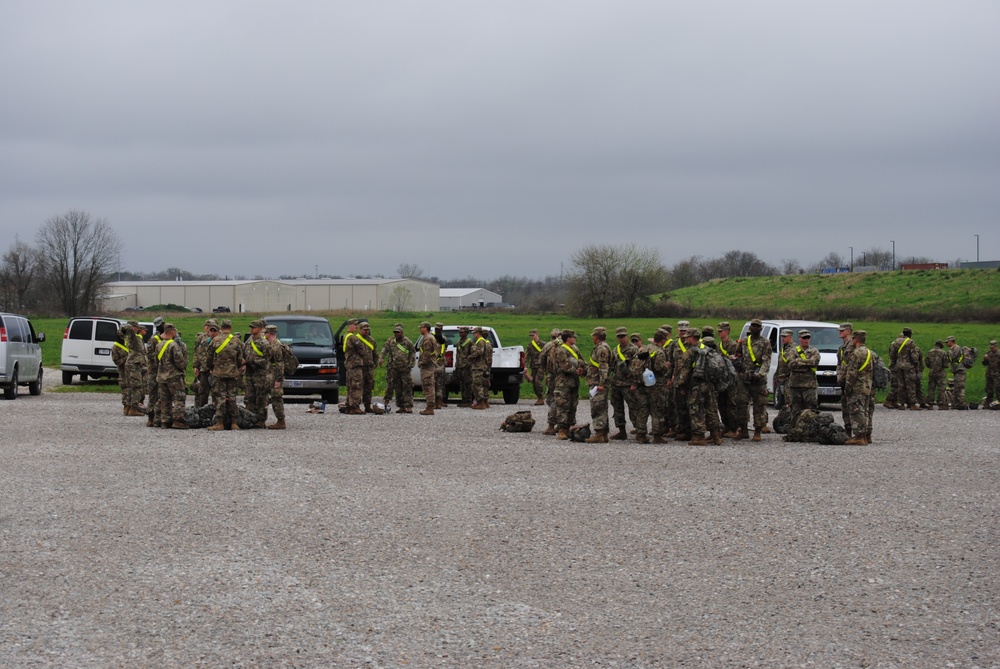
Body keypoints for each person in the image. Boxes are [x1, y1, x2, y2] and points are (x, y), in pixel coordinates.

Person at [676, 329, 722, 446]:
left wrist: (679, 384)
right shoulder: (707, 349)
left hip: (696, 386)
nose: (685, 339)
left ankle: (699, 437)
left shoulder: (691, 352)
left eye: (687, 337)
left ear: (692, 338)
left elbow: (685, 372)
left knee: (696, 410)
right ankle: (716, 436)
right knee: (711, 409)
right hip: (709, 384)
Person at [206, 319, 246, 430]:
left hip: (219, 373)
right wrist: (236, 367)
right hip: (233, 373)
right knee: (232, 397)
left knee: (220, 397)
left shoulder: (215, 340)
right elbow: (240, 359)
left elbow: (209, 357)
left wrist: (211, 367)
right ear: (230, 327)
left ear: (220, 327)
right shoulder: (236, 341)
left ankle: (220, 423)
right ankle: (234, 423)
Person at [738, 318, 772, 442]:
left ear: (760, 329)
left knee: (759, 406)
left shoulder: (765, 342)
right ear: (750, 328)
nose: (755, 328)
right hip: (744, 379)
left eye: (757, 326)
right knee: (741, 404)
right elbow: (739, 356)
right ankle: (743, 429)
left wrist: (760, 374)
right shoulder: (744, 342)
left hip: (758, 380)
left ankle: (758, 431)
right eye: (753, 326)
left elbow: (766, 361)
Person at [551, 329, 584, 440]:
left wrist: (583, 370)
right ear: (568, 338)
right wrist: (576, 371)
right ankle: (561, 429)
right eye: (573, 337)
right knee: (562, 406)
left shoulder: (575, 349)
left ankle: (570, 427)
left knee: (573, 406)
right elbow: (564, 365)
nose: (575, 339)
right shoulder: (561, 350)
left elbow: (582, 361)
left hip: (574, 382)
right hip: (563, 383)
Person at [155, 323, 189, 429]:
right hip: (173, 377)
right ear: (173, 332)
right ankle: (178, 420)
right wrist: (183, 367)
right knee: (179, 398)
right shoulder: (174, 345)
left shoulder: (158, 345)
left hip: (161, 376)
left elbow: (156, 361)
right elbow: (180, 362)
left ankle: (165, 421)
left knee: (165, 399)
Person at [843, 330, 874, 445]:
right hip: (867, 386)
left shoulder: (856, 354)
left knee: (856, 411)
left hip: (857, 387)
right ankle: (866, 436)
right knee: (864, 411)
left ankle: (859, 436)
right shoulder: (869, 352)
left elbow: (852, 373)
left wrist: (847, 388)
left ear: (855, 339)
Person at [716, 322, 747, 440]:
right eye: (718, 331)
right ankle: (727, 426)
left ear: (727, 332)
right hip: (722, 379)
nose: (719, 333)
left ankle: (734, 428)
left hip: (733, 378)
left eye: (721, 331)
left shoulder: (734, 346)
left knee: (732, 404)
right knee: (722, 403)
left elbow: (739, 361)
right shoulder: (719, 346)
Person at [609, 327, 639, 441]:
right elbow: (612, 365)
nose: (622, 339)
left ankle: (639, 430)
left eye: (623, 336)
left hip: (628, 383)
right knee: (617, 408)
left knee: (634, 407)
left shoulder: (634, 349)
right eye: (619, 337)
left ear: (627, 336)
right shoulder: (615, 350)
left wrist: (634, 382)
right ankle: (621, 431)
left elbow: (637, 367)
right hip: (616, 383)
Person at [643, 328, 672, 444]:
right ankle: (657, 435)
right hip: (657, 384)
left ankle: (641, 433)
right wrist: (667, 366)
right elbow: (659, 368)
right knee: (657, 410)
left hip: (645, 382)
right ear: (663, 340)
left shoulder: (646, 348)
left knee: (644, 408)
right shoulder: (659, 352)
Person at [584, 326, 612, 443]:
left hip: (597, 383)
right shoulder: (602, 347)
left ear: (596, 337)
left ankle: (599, 433)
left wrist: (601, 383)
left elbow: (603, 367)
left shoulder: (602, 349)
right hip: (596, 381)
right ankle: (603, 433)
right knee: (602, 407)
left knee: (598, 407)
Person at [787, 329, 820, 421]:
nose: (806, 340)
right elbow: (791, 365)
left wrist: (798, 361)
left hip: (809, 385)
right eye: (804, 338)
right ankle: (794, 430)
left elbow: (814, 362)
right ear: (799, 339)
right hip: (795, 385)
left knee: (811, 410)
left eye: (808, 338)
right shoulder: (793, 351)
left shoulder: (814, 351)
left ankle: (810, 431)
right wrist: (807, 363)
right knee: (795, 410)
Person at [382, 324, 416, 413]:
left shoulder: (407, 342)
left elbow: (412, 353)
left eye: (398, 332)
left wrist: (411, 364)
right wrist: (381, 358)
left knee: (407, 386)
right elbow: (385, 349)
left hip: (405, 368)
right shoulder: (391, 341)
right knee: (398, 388)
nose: (396, 334)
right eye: (395, 332)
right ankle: (401, 406)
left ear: (402, 332)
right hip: (394, 368)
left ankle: (408, 406)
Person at [243, 319, 270, 427]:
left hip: (261, 374)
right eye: (251, 327)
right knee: (249, 397)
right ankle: (250, 418)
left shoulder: (264, 343)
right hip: (249, 374)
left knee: (261, 398)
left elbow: (267, 360)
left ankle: (261, 420)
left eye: (254, 327)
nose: (251, 329)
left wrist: (251, 361)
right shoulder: (249, 340)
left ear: (260, 329)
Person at [670, 321, 692, 441]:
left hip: (690, 379)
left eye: (685, 331)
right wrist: (670, 377)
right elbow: (671, 363)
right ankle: (681, 429)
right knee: (679, 405)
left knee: (691, 406)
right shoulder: (674, 345)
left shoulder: (692, 345)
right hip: (677, 378)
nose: (683, 333)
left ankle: (691, 430)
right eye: (681, 330)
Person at [890, 327, 921, 410]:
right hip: (909, 366)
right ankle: (912, 404)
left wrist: (895, 361)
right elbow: (913, 356)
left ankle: (902, 404)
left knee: (901, 385)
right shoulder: (910, 342)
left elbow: (892, 354)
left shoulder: (897, 341)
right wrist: (916, 362)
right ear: (910, 334)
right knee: (910, 385)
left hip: (899, 365)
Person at [263, 324, 287, 429]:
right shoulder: (271, 344)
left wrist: (278, 380)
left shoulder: (276, 346)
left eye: (265, 333)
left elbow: (280, 364)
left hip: (275, 377)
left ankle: (281, 421)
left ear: (269, 333)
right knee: (272, 398)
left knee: (276, 398)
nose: (264, 335)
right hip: (270, 376)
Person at [540, 328, 562, 435]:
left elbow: (541, 360)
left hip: (551, 375)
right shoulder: (567, 345)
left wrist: (546, 371)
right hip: (563, 376)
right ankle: (563, 425)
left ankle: (551, 425)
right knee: (564, 399)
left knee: (552, 399)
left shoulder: (548, 346)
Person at [145, 317, 166, 427]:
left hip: (165, 371)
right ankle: (151, 418)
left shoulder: (169, 338)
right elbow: (149, 355)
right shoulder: (154, 339)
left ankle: (161, 418)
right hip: (154, 371)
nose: (161, 326)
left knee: (163, 395)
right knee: (153, 395)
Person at [341, 319, 365, 415]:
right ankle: (354, 406)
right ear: (350, 325)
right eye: (355, 325)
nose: (356, 327)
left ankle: (349, 405)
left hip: (349, 365)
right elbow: (362, 350)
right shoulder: (353, 338)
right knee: (356, 386)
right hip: (355, 364)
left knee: (350, 386)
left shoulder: (345, 336)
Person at [192, 318, 218, 408]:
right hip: (204, 369)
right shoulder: (201, 338)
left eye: (209, 326)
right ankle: (201, 409)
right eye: (206, 326)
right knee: (203, 391)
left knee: (216, 391)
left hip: (216, 370)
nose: (207, 328)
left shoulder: (219, 338)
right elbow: (197, 352)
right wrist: (196, 366)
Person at [836, 322, 856, 437]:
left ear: (848, 331)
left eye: (842, 330)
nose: (840, 332)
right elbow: (839, 364)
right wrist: (839, 376)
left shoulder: (852, 346)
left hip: (851, 381)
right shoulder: (841, 347)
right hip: (843, 381)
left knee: (854, 408)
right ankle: (848, 431)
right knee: (845, 407)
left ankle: (859, 433)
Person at [359, 322, 381, 413]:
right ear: (360, 330)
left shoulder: (371, 340)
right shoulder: (356, 339)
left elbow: (375, 353)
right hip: (359, 367)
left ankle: (367, 405)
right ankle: (355, 405)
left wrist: (375, 363)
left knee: (369, 387)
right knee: (358, 387)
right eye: (364, 330)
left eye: (368, 330)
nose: (366, 331)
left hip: (369, 368)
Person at [468, 326, 493, 409]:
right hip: (477, 366)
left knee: (477, 384)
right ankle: (481, 402)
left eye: (474, 333)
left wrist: (471, 356)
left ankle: (481, 402)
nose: (474, 335)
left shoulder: (481, 341)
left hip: (478, 366)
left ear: (478, 333)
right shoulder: (479, 341)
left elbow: (479, 352)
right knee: (476, 384)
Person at [417, 321, 438, 415]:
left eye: (421, 327)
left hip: (428, 365)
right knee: (427, 385)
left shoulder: (428, 339)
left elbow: (427, 353)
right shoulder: (427, 338)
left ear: (425, 328)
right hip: (428, 365)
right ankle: (429, 406)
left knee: (428, 385)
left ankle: (430, 407)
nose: (420, 329)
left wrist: (421, 362)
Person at [925, 340, 950, 409]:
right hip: (940, 372)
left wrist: (932, 367)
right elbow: (945, 364)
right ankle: (941, 404)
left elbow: (927, 363)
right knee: (941, 388)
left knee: (931, 388)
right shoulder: (943, 352)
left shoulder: (929, 352)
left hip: (932, 372)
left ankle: (930, 404)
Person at [773, 328, 794, 411]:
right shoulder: (783, 348)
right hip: (783, 378)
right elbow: (780, 363)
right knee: (786, 398)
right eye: (782, 336)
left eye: (785, 337)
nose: (783, 338)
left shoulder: (794, 348)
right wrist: (776, 376)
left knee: (790, 400)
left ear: (790, 337)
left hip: (790, 378)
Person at [945, 336, 968, 409]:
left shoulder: (956, 348)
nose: (946, 343)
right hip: (956, 370)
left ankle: (961, 404)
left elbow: (953, 356)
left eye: (947, 342)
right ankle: (957, 403)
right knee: (956, 387)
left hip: (960, 370)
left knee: (960, 387)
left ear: (951, 341)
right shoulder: (952, 349)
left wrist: (948, 352)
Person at [453, 326, 474, 407]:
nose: (460, 333)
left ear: (466, 333)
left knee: (467, 384)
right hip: (459, 365)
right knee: (461, 384)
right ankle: (464, 400)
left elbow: (473, 353)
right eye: (460, 332)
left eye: (462, 332)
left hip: (466, 366)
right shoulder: (458, 342)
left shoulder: (470, 342)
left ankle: (468, 401)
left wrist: (469, 361)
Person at [112, 326, 130, 415]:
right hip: (123, 373)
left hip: (130, 372)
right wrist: (127, 358)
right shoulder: (115, 348)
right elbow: (117, 361)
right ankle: (126, 407)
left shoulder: (127, 345)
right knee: (125, 391)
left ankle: (131, 407)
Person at [525, 329, 546, 405]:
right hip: (534, 366)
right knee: (534, 382)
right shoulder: (530, 346)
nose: (532, 337)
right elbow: (526, 357)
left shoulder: (544, 344)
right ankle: (538, 397)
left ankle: (541, 397)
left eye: (533, 335)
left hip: (541, 366)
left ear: (537, 334)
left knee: (537, 381)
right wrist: (525, 366)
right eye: (531, 336)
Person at [433, 322, 448, 409]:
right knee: (438, 384)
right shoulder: (443, 339)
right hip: (439, 364)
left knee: (438, 384)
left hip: (436, 364)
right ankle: (438, 402)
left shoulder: (431, 338)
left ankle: (438, 402)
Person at [983, 340, 1000, 407]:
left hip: (997, 374)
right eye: (990, 347)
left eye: (992, 347)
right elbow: (985, 364)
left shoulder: (999, 354)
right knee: (988, 388)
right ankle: (988, 402)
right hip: (989, 374)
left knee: (998, 388)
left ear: (996, 347)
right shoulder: (988, 353)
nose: (991, 349)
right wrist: (985, 359)